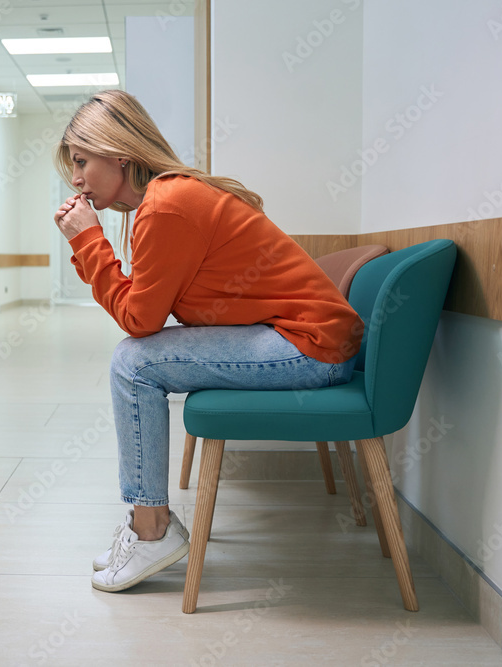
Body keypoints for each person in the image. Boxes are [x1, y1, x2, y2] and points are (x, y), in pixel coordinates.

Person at [52, 90, 364, 593]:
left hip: (310, 347)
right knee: (136, 358)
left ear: (120, 153)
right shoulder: (162, 202)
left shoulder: (166, 205)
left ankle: (151, 528)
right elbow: (144, 306)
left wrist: (88, 241)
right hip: (301, 338)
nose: (76, 178)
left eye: (83, 161)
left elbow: (139, 320)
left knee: (133, 363)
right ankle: (149, 522)